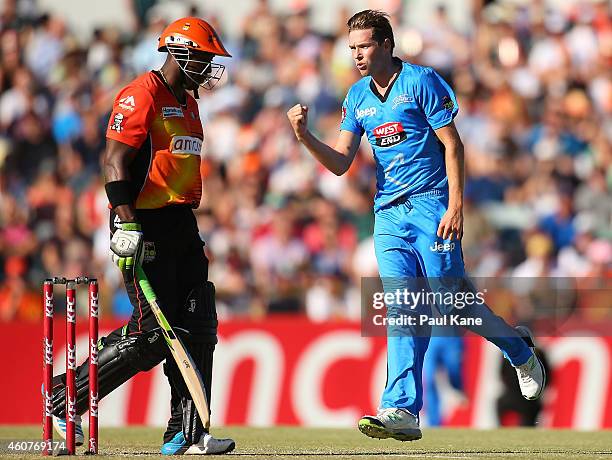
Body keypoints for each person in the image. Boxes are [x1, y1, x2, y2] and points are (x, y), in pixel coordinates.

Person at [287, 10, 546, 442]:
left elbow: (453, 144)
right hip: (388, 216)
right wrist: (304, 137)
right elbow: (339, 163)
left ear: (387, 44)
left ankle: (520, 351)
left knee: (452, 302)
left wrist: (457, 204)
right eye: (352, 48)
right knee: (404, 306)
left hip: (432, 206)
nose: (357, 55)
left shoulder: (421, 82)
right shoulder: (356, 97)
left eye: (365, 46)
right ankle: (401, 408)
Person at [48, 17, 235, 455]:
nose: (209, 66)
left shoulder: (188, 101)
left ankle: (186, 434)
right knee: (154, 333)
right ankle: (63, 402)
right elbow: (114, 162)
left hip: (181, 223)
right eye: (204, 57)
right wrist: (126, 221)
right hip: (142, 223)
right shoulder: (142, 93)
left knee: (198, 322)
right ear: (180, 52)